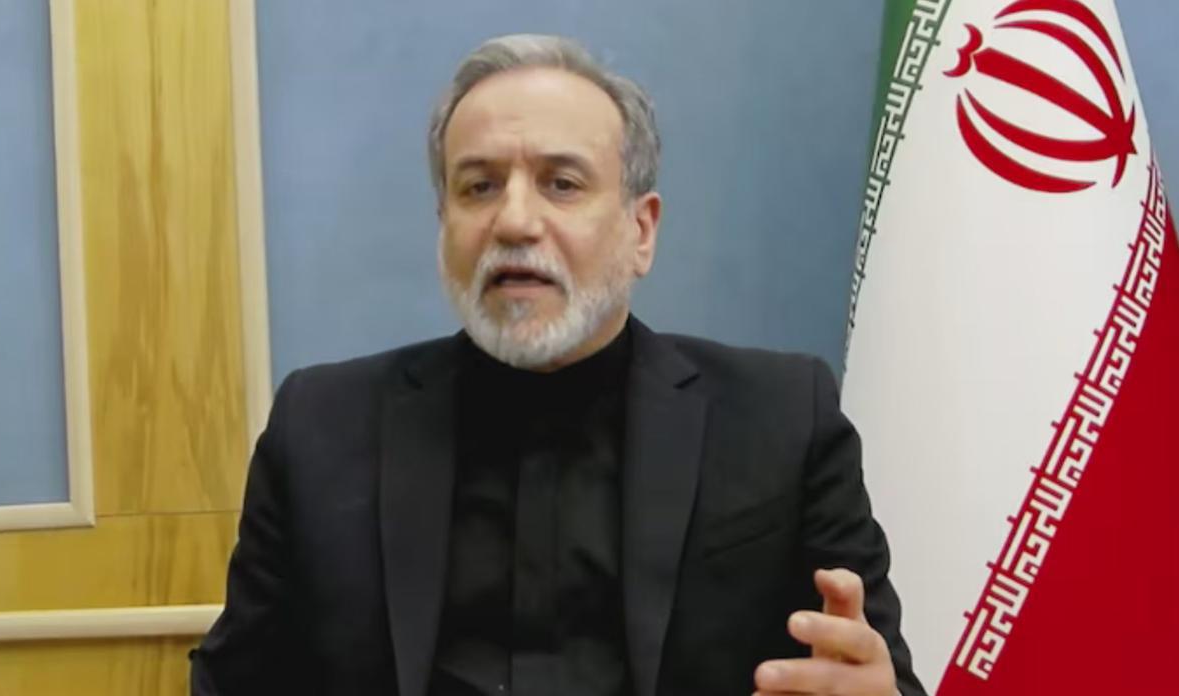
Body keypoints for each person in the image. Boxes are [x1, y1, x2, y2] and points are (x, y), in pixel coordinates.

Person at [190, 34, 924, 696]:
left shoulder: (783, 421)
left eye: (561, 184)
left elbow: (878, 676)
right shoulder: (320, 429)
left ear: (641, 231)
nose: (514, 221)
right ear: (444, 226)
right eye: (478, 186)